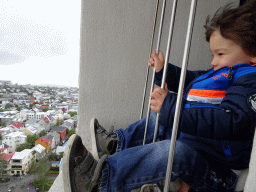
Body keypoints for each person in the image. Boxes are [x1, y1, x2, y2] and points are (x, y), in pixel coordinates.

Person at [62, 1, 256, 192]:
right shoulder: (228, 72)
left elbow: (232, 120)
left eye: (220, 53)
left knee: (173, 151)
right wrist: (164, 71)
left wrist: (172, 109)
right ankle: (115, 144)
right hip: (200, 146)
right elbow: (191, 80)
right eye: (213, 54)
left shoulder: (251, 83)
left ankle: (99, 181)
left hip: (220, 172)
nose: (213, 62)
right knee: (159, 118)